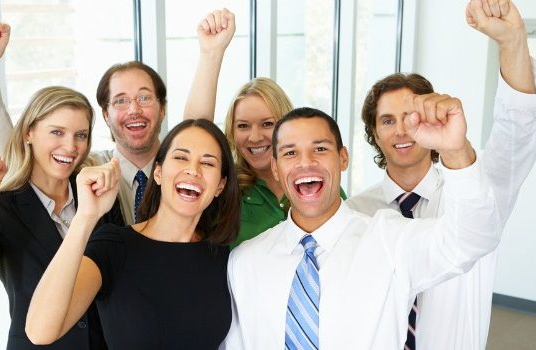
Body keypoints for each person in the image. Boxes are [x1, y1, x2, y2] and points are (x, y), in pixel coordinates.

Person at [222, 95, 514, 348]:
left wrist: (455, 150)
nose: (305, 162)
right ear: (275, 167)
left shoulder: (390, 240)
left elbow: (473, 238)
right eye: (290, 153)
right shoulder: (245, 261)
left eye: (320, 149)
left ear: (343, 159)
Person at [346, 1, 536, 348]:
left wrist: (512, 42)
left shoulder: (478, 193)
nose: (402, 130)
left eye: (411, 116)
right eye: (388, 120)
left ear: (434, 120)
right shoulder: (356, 212)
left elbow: (517, 128)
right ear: (373, 133)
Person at [0, 9, 236, 225]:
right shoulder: (87, 170)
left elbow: (197, 133)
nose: (134, 109)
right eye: (120, 101)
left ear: (162, 108)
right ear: (106, 115)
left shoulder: (179, 168)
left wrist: (211, 54)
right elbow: (12, 160)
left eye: (144, 98)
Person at [25, 119, 241, 349]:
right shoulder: (114, 247)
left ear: (220, 185)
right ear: (158, 172)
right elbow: (40, 331)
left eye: (207, 163)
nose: (193, 170)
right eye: (181, 157)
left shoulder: (221, 255)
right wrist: (85, 217)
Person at [0, 86, 123, 349]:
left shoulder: (99, 196)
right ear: (29, 132)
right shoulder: (3, 207)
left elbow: (120, 283)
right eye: (57, 132)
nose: (71, 146)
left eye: (80, 135)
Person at [225, 78, 347, 247]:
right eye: (243, 126)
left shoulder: (324, 185)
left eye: (267, 124)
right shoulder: (225, 192)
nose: (255, 137)